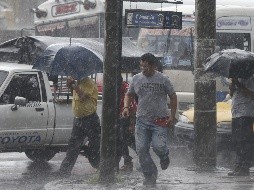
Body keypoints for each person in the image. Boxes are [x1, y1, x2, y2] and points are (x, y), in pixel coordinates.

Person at [122, 53, 177, 186]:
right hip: (142, 120)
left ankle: (164, 157)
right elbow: (129, 95)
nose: (143, 69)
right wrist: (126, 107)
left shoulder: (163, 79)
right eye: (141, 66)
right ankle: (150, 175)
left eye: (146, 66)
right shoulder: (136, 79)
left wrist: (172, 116)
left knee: (159, 146)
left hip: (160, 120)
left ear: (153, 66)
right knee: (141, 150)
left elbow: (173, 96)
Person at [53, 76, 101, 177]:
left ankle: (101, 168)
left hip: (90, 119)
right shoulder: (78, 82)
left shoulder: (88, 83)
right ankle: (64, 171)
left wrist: (74, 85)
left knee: (94, 147)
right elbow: (75, 96)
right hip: (79, 119)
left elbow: (82, 96)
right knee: (73, 146)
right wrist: (71, 86)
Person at [228, 76, 254, 176]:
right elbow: (232, 95)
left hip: (246, 113)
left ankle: (244, 167)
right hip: (236, 113)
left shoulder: (251, 78)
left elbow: (251, 94)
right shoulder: (238, 78)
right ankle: (238, 166)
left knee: (244, 141)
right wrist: (232, 87)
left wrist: (238, 84)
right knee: (237, 141)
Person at [117, 75, 137, 172]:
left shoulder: (126, 89)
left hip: (126, 118)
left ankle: (129, 162)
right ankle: (128, 161)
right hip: (119, 118)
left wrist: (131, 124)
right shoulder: (115, 89)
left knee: (124, 140)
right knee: (125, 141)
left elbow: (132, 107)